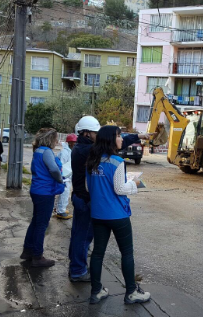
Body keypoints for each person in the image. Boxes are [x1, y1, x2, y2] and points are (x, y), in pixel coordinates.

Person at [68, 116, 153, 282]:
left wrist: (139, 136)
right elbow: (108, 145)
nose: (98, 136)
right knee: (83, 237)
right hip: (86, 200)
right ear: (86, 133)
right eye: (95, 133)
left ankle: (76, 268)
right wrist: (134, 184)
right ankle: (78, 271)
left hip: (81, 197)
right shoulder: (87, 151)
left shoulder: (81, 147)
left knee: (80, 235)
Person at [85, 125, 151, 305]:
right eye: (119, 136)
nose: (122, 139)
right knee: (127, 253)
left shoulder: (92, 160)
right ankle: (131, 292)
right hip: (117, 215)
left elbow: (87, 188)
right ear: (111, 139)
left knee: (97, 254)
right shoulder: (116, 161)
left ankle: (96, 291)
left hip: (98, 215)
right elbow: (120, 189)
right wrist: (135, 183)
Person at [21, 128, 65, 268]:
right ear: (50, 139)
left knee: (35, 222)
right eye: (55, 139)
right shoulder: (46, 152)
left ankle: (28, 251)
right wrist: (60, 180)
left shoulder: (38, 151)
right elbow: (53, 169)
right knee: (41, 225)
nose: (57, 141)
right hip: (45, 192)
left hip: (37, 190)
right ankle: (37, 256)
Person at [55, 134, 77, 220]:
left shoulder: (69, 151)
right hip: (65, 177)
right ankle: (61, 211)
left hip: (67, 176)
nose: (75, 144)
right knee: (64, 194)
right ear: (70, 142)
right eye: (74, 142)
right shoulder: (65, 152)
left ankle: (58, 208)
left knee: (62, 194)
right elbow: (62, 166)